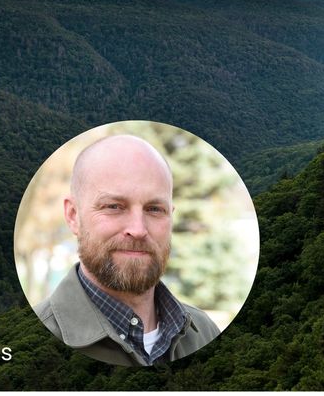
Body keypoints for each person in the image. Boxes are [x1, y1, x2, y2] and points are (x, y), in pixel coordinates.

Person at [34, 135, 221, 366]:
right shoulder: (30, 347)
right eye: (114, 207)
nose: (138, 229)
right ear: (73, 216)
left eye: (154, 209)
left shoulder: (205, 333)